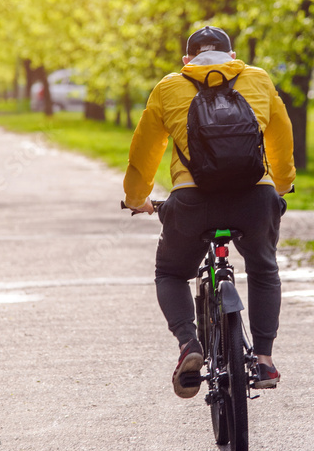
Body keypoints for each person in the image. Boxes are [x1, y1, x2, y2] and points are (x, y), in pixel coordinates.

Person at [122, 26, 296, 398]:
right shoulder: (257, 79)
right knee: (264, 269)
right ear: (232, 57)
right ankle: (264, 358)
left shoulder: (169, 87)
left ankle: (189, 344)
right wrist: (281, 185)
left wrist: (137, 197)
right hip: (255, 198)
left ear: (187, 61)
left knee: (170, 272)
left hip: (192, 202)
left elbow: (144, 150)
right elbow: (281, 136)